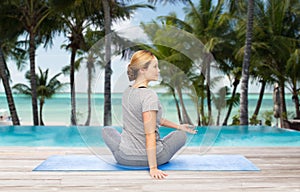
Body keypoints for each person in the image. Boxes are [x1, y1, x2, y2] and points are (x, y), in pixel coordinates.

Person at [102, 50, 197, 179]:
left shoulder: (127, 92)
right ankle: (152, 160)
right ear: (142, 70)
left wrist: (178, 126)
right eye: (155, 67)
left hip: (124, 157)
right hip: (154, 158)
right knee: (180, 136)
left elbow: (153, 119)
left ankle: (130, 149)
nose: (158, 70)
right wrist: (153, 168)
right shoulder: (149, 95)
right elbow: (150, 133)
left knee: (107, 131)